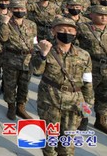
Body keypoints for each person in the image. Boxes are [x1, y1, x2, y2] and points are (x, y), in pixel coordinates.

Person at [32, 16, 94, 156]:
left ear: (75, 33)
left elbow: (87, 82)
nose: (67, 33)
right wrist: (43, 54)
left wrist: (87, 105)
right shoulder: (44, 49)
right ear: (54, 32)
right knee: (50, 139)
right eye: (62, 30)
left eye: (70, 30)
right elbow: (36, 71)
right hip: (50, 100)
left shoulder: (83, 55)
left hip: (74, 102)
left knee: (68, 141)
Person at [0, 0, 37, 120]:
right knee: (10, 84)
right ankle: (11, 106)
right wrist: (4, 23)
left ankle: (21, 107)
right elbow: (3, 39)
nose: (19, 11)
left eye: (21, 9)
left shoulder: (31, 24)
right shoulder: (5, 23)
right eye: (16, 9)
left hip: (27, 59)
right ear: (11, 10)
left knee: (24, 84)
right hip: (11, 58)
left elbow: (34, 41)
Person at [76, 5, 107, 134]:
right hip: (90, 67)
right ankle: (83, 118)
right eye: (100, 14)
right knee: (86, 94)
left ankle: (101, 119)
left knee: (105, 95)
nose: (104, 17)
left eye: (106, 15)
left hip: (106, 67)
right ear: (91, 15)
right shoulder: (83, 27)